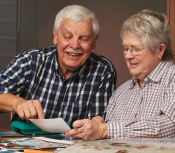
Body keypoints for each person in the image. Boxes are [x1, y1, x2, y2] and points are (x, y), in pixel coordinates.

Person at [66, 9, 175, 140]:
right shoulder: (121, 93)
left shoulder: (172, 79)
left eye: (136, 49)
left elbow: (170, 126)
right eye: (126, 49)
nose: (128, 56)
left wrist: (105, 130)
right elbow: (109, 135)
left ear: (159, 50)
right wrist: (95, 127)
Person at [0, 5, 116, 126]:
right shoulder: (30, 60)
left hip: (75, 143)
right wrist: (17, 103)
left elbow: (98, 122)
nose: (75, 45)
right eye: (67, 36)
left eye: (84, 38)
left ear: (94, 41)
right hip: (27, 140)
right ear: (55, 36)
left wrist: (94, 126)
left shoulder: (103, 70)